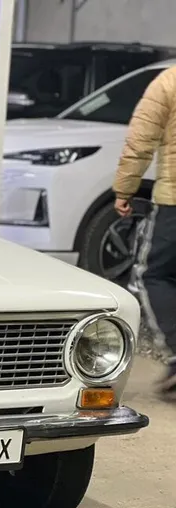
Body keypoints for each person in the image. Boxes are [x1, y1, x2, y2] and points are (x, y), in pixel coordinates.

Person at [112, 64, 176, 399]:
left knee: (152, 275)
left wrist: (124, 189)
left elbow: (140, 140)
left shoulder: (168, 81)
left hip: (174, 205)